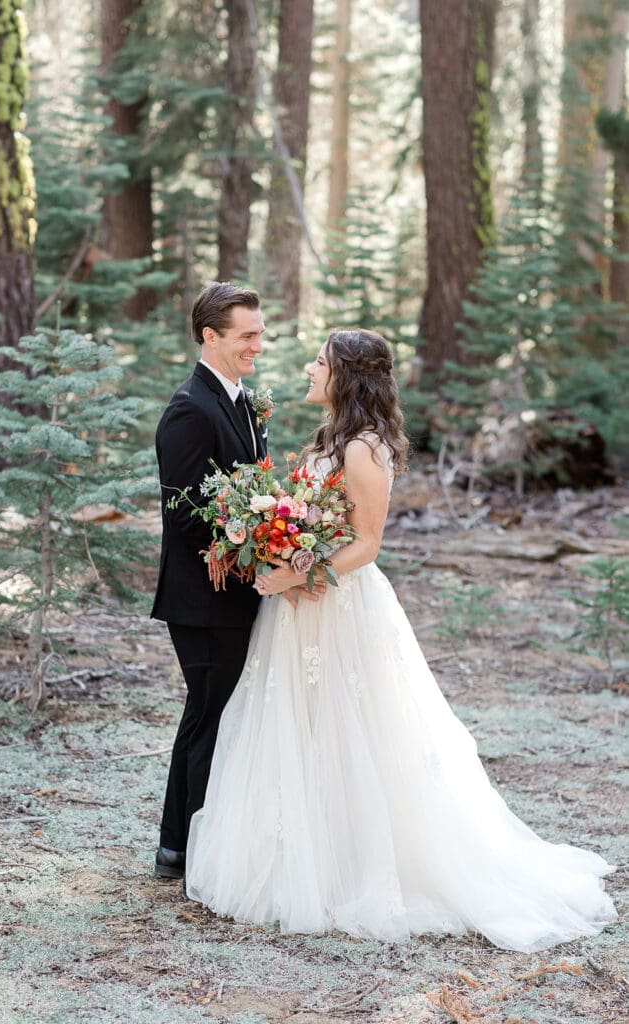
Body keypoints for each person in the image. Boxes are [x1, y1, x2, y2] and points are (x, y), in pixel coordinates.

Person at [184, 328, 617, 952]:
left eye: (320, 362)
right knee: (304, 724)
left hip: (340, 606)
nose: (309, 368)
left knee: (354, 726)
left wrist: (297, 570)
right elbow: (314, 520)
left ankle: (359, 865)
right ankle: (312, 850)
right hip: (301, 605)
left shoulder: (363, 447)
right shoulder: (329, 437)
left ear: (347, 376)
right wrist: (273, 549)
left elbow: (368, 543)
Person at [151, 281, 271, 880]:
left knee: (216, 713)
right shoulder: (188, 409)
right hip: (203, 595)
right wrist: (252, 542)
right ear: (210, 335)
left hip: (241, 587)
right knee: (210, 713)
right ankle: (188, 847)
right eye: (247, 334)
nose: (259, 343)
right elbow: (184, 510)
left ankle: (184, 843)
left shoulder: (243, 400)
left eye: (259, 332)